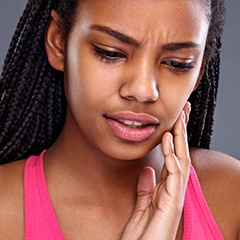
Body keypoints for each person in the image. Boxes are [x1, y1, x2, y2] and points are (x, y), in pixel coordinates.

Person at [0, 0, 239, 239]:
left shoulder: (232, 201)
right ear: (59, 41)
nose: (143, 90)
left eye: (177, 64)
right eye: (111, 53)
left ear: (199, 70)